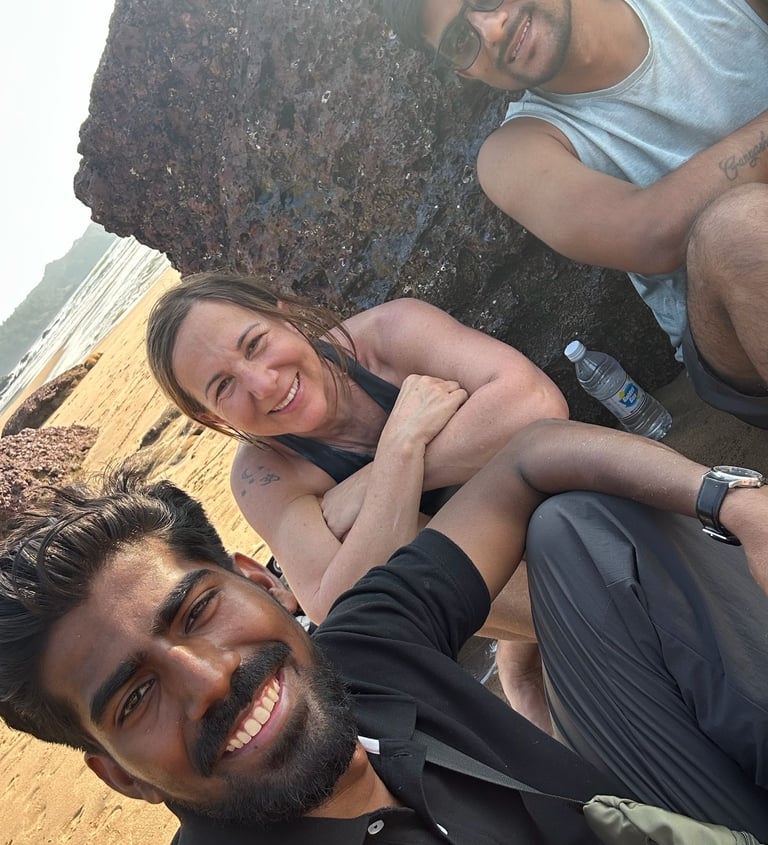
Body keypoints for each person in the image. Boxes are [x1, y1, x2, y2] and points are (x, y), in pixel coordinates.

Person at [1, 419, 768, 845]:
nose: (209, 679)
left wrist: (734, 501)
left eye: (197, 611)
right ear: (121, 776)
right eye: (135, 697)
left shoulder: (361, 654)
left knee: (579, 528)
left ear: (261, 580)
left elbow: (526, 461)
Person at [145, 270, 568, 727]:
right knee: (374, 557)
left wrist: (365, 489)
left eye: (255, 344)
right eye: (224, 386)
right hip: (498, 592)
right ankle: (560, 626)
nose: (263, 384)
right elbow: (341, 605)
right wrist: (399, 448)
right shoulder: (263, 476)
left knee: (356, 532)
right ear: (212, 416)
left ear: (287, 318)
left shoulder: (389, 335)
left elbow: (535, 403)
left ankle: (544, 638)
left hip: (554, 509)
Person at [383, 0, 768, 427]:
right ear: (464, 72)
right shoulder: (518, 151)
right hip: (736, 328)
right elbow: (653, 235)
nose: (492, 30)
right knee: (734, 231)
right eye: (459, 39)